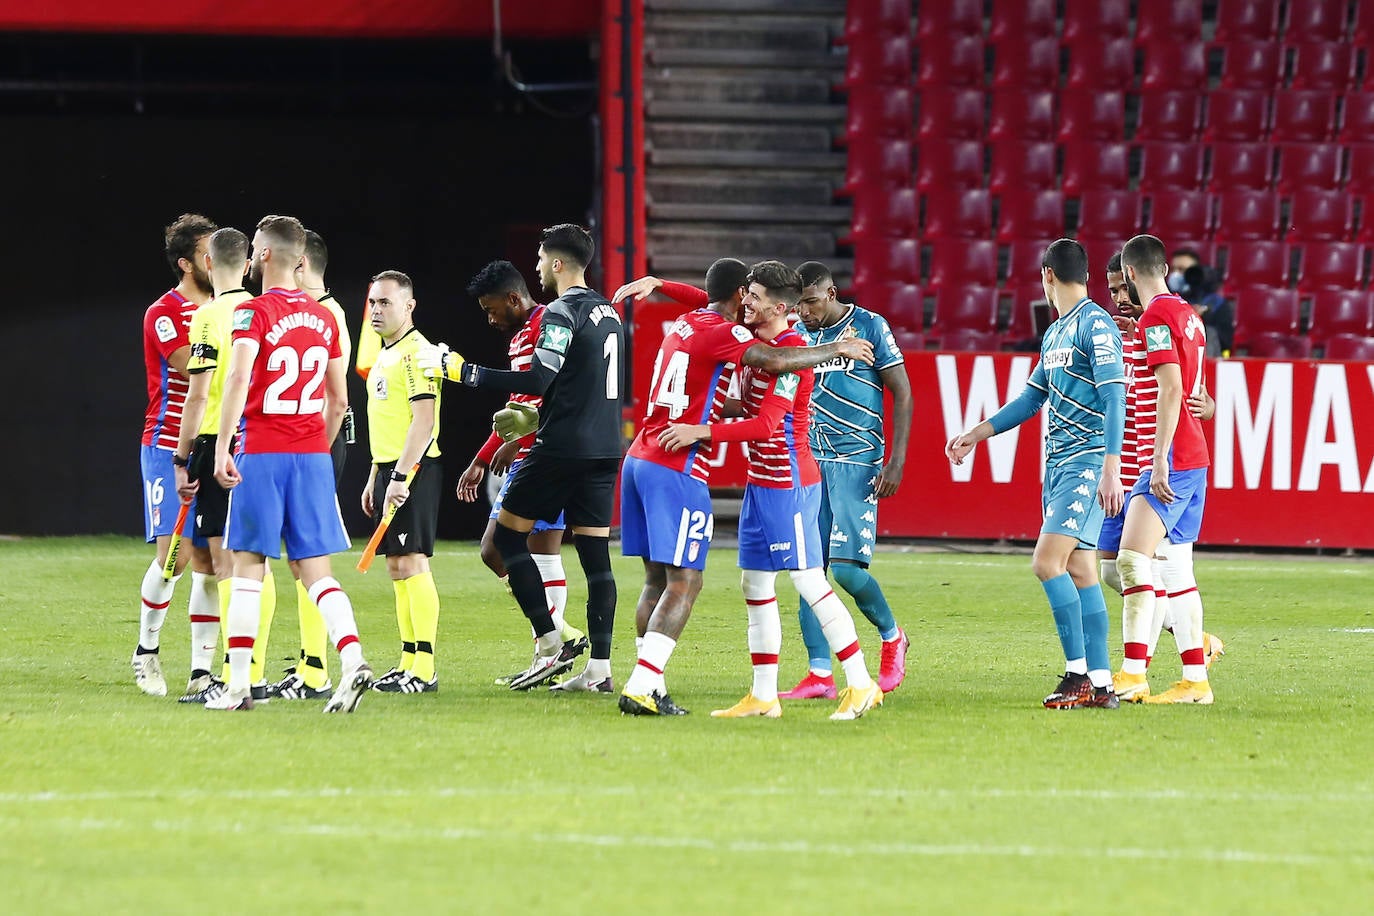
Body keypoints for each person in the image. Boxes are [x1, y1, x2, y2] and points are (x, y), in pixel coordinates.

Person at [612, 260, 877, 716]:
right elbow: (712, 302)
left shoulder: (790, 352)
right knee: (754, 583)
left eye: (755, 296)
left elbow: (768, 422)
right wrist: (660, 285)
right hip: (760, 482)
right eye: (745, 293)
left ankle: (860, 682)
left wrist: (703, 431)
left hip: (790, 481)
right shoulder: (750, 337)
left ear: (778, 307)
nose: (747, 301)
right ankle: (763, 695)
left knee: (810, 580)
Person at [418, 224, 622, 691]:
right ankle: (599, 671)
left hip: (559, 450)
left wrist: (464, 373)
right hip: (605, 449)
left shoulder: (559, 313)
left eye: (538, 260)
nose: (535, 269)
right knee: (597, 562)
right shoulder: (609, 312)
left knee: (505, 542)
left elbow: (536, 382)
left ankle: (551, 643)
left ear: (556, 263)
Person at [946, 239, 1127, 710]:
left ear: (1047, 274)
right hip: (1059, 465)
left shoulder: (1096, 323)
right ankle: (1103, 684)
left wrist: (1112, 466)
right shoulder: (1055, 334)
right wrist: (976, 434)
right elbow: (1031, 400)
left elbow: (1114, 396)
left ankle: (1076, 674)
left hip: (1086, 463)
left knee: (1047, 563)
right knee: (1082, 569)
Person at [211, 214, 373, 712]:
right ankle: (353, 661)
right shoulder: (326, 317)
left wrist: (221, 447)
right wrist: (317, 453)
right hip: (310, 456)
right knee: (316, 571)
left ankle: (238, 687)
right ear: (300, 258)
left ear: (262, 255)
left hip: (262, 451)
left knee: (247, 568)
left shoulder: (250, 313)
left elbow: (238, 381)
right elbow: (340, 401)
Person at [453, 260, 589, 688]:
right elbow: (517, 404)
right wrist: (482, 456)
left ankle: (554, 642)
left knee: (519, 550)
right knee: (506, 552)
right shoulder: (521, 335)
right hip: (528, 456)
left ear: (514, 298)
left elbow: (555, 391)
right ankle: (553, 642)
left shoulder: (548, 325)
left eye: (491, 309)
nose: (489, 318)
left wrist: (517, 442)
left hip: (548, 457)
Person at [782, 261, 913, 700]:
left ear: (831, 293)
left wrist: (896, 461)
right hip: (810, 464)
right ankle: (819, 674)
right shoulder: (799, 337)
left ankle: (893, 637)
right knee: (807, 571)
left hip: (858, 460)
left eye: (812, 302)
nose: (804, 312)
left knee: (846, 571)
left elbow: (903, 391)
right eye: (798, 304)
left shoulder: (870, 326)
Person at [1099, 254, 1224, 702]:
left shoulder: (1156, 318)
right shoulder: (1185, 315)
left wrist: (1158, 460)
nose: (1116, 298)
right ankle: (1195, 670)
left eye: (1119, 286)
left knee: (1136, 563)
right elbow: (1195, 390)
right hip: (1172, 457)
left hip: (1166, 459)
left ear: (1132, 274)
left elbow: (1179, 391)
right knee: (1150, 569)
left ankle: (1134, 673)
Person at [172, 226, 278, 704]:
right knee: (255, 559)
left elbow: (197, 394)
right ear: (250, 264)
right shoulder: (263, 310)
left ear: (209, 265)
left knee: (222, 561)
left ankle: (234, 676)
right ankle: (251, 668)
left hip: (218, 439)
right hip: (261, 439)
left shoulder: (208, 315)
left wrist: (181, 456)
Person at [266, 229, 356, 700]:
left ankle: (316, 668)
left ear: (299, 264)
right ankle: (311, 663)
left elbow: (333, 398)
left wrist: (313, 456)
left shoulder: (325, 314)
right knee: (300, 558)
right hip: (310, 443)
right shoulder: (326, 311)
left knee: (306, 558)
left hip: (313, 442)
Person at [133, 212, 218, 697]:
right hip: (167, 443)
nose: (218, 260)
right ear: (187, 263)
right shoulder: (163, 313)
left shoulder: (226, 307)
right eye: (208, 251)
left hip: (216, 445)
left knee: (209, 556)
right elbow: (190, 367)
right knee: (176, 557)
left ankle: (202, 672)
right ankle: (145, 654)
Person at [359, 270, 444, 694]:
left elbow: (424, 422)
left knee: (412, 562)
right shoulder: (385, 353)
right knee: (396, 566)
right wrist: (376, 473)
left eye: (385, 303)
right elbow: (388, 423)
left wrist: (398, 476)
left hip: (415, 469)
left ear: (409, 307)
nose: (376, 309)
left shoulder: (417, 353)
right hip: (391, 468)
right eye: (373, 302)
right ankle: (408, 660)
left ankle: (424, 668)